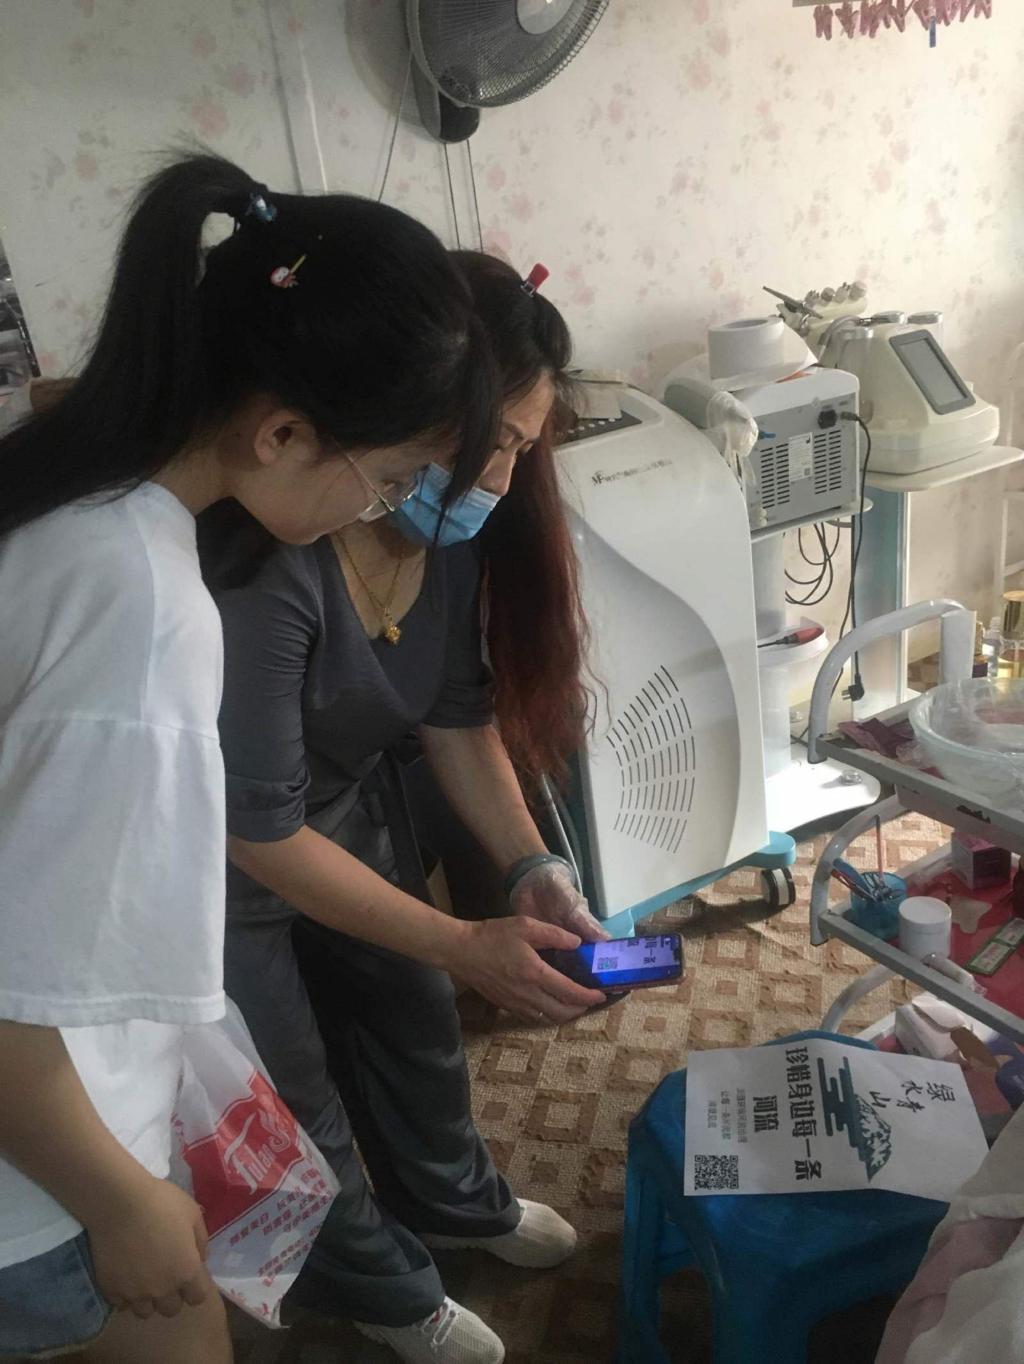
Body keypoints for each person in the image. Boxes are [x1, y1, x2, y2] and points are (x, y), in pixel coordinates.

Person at [0, 152, 502, 1363]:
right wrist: (122, 1199)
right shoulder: (140, 608)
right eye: (387, 479)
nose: (381, 510)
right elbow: (11, 991)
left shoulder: (62, 489)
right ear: (282, 430)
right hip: (46, 1175)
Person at [210, 250, 607, 1364]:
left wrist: (531, 868)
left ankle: (454, 1202)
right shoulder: (275, 558)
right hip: (230, 864)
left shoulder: (443, 538)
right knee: (293, 1093)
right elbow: (257, 828)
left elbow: (456, 718)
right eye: (497, 443)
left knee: (415, 1020)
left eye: (523, 451)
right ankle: (376, 1286)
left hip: (343, 813)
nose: (503, 479)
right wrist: (463, 939)